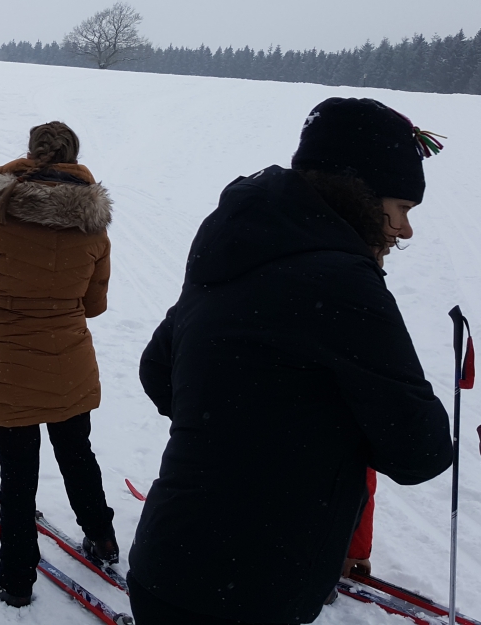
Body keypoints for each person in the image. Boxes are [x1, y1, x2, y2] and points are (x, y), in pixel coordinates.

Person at [129, 97, 454, 625]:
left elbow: (158, 370)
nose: (405, 229)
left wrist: (247, 422)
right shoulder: (345, 281)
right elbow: (421, 449)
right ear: (365, 197)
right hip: (252, 589)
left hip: (167, 562)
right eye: (402, 208)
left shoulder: (234, 241)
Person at [0, 121, 115, 607]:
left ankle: (17, 578)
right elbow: (96, 303)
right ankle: (103, 538)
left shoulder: (0, 217)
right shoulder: (94, 223)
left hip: (12, 365)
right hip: (69, 360)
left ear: (31, 155)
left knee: (18, 475)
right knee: (77, 453)